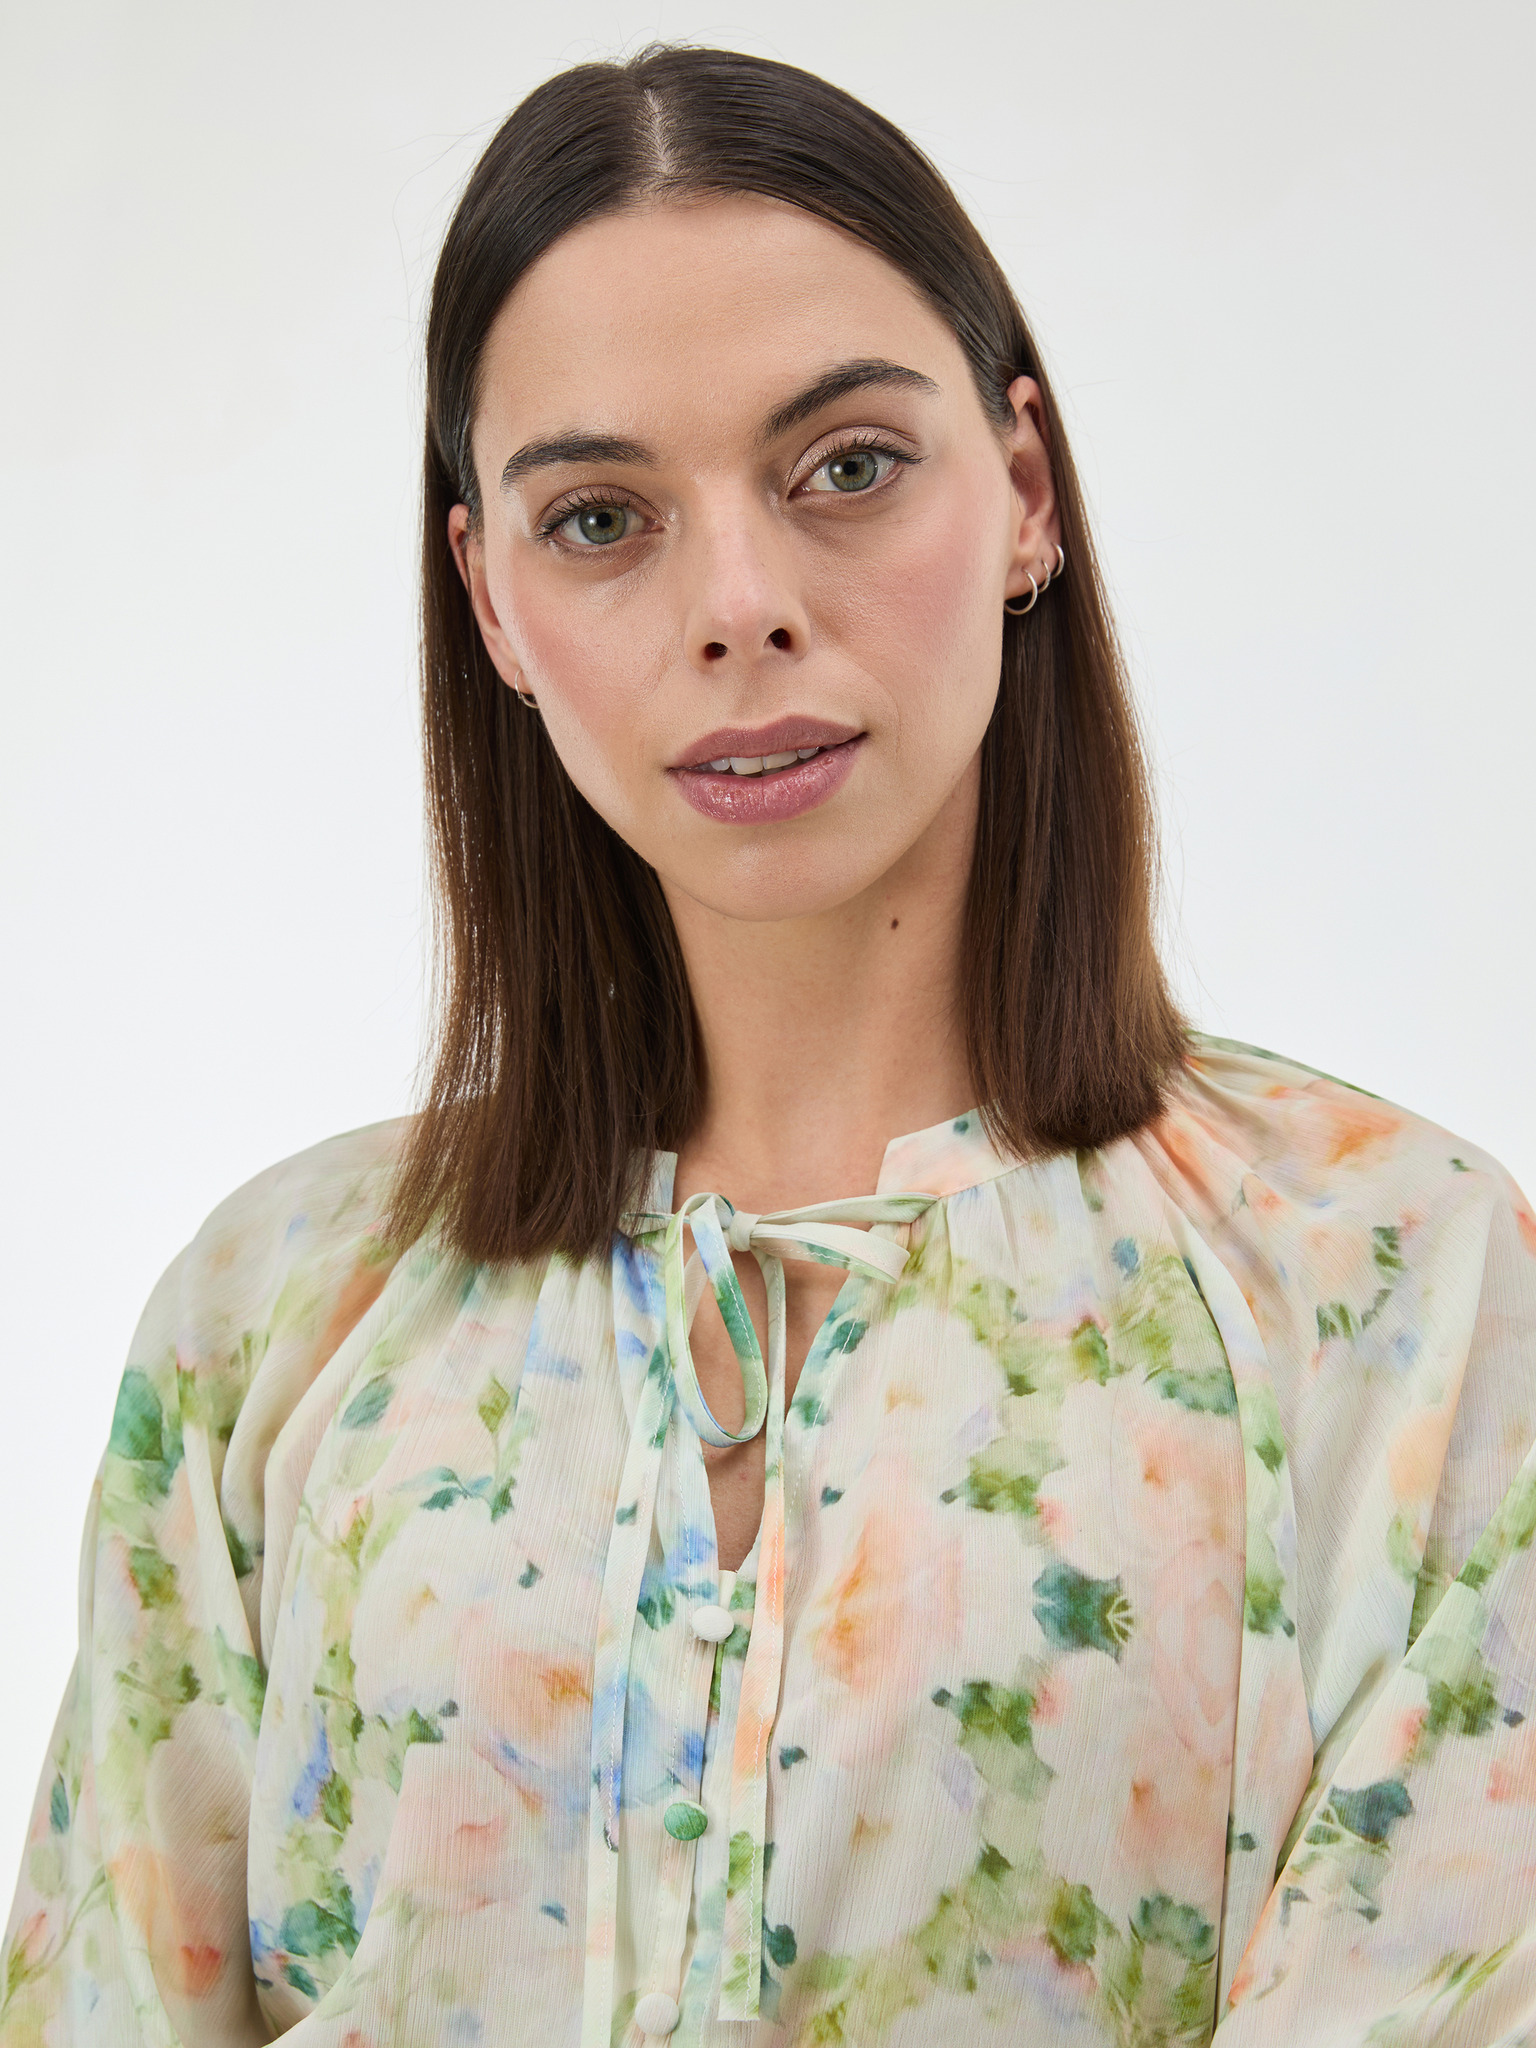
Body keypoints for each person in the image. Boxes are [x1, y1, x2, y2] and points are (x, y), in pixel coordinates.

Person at [4, 41, 1535, 2048]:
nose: (739, 607)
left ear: (1026, 493)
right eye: (600, 517)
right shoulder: (273, 1322)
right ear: (490, 601)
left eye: (848, 467)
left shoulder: (1400, 1290)